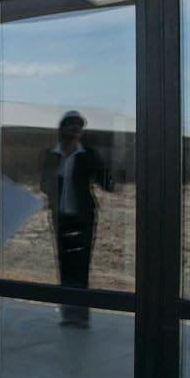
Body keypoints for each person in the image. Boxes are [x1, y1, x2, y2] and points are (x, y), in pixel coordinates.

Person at [39, 110, 114, 328]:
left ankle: (81, 316)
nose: (75, 129)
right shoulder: (51, 154)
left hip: (83, 218)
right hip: (61, 217)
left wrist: (111, 174)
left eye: (79, 126)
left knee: (81, 265)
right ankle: (67, 314)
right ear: (62, 128)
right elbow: (44, 183)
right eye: (71, 124)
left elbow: (106, 183)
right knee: (64, 264)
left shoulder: (88, 154)